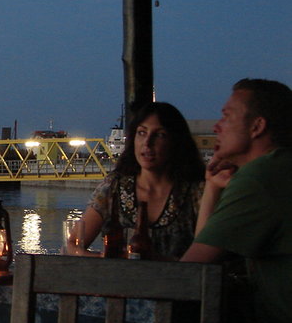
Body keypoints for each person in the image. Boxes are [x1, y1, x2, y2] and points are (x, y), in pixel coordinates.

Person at [181, 78, 292, 323]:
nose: (217, 126)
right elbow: (206, 251)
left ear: (257, 126)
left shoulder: (261, 178)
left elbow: (190, 274)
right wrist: (212, 187)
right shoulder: (278, 169)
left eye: (227, 116)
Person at [67, 102, 205, 259]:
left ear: (176, 142)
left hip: (177, 282)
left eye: (159, 135)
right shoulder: (114, 188)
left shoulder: (196, 192)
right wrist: (102, 260)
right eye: (141, 133)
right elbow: (73, 244)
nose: (147, 143)